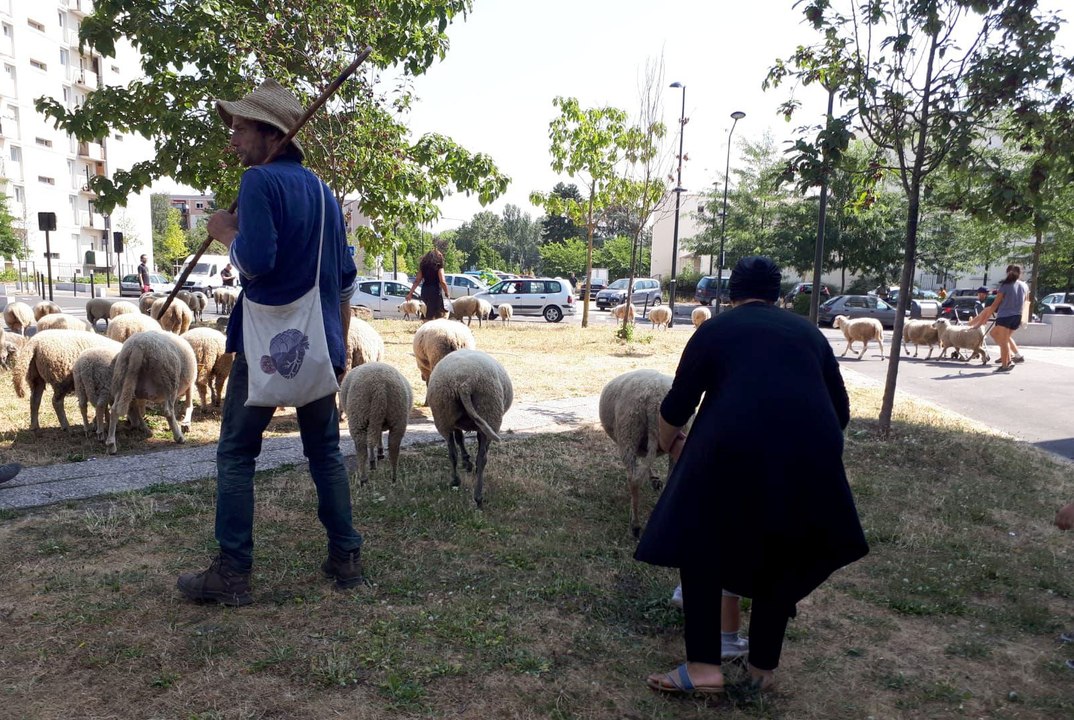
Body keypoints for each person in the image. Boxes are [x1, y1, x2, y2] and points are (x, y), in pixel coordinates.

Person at [637, 256, 868, 696]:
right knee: (780, 548)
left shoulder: (715, 331)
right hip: (810, 455)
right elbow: (840, 413)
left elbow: (677, 405)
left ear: (730, 293)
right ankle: (762, 668)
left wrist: (670, 442)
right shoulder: (809, 333)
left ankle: (704, 668)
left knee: (700, 541)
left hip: (733, 449)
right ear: (778, 293)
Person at [177, 79, 363, 607]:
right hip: (319, 341)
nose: (232, 138)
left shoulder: (258, 182)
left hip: (266, 345)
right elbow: (345, 277)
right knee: (324, 451)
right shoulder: (326, 194)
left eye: (240, 128)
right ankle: (345, 555)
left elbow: (255, 263)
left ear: (270, 133)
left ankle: (232, 573)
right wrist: (341, 340)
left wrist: (225, 230)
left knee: (237, 453)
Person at [969, 266, 1028, 372]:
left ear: (1007, 273)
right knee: (995, 334)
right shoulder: (1024, 285)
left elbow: (995, 305)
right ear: (1020, 274)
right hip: (1017, 316)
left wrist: (983, 320)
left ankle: (1006, 364)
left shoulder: (1005, 286)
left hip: (1005, 316)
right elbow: (1025, 301)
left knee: (1004, 341)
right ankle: (1010, 357)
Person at [406, 246, 451, 321]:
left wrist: (410, 293)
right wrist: (447, 292)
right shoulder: (439, 266)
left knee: (425, 312)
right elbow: (442, 281)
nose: (442, 256)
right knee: (436, 314)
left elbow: (417, 280)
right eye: (440, 255)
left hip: (425, 291)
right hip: (435, 291)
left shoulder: (423, 266)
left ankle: (425, 327)